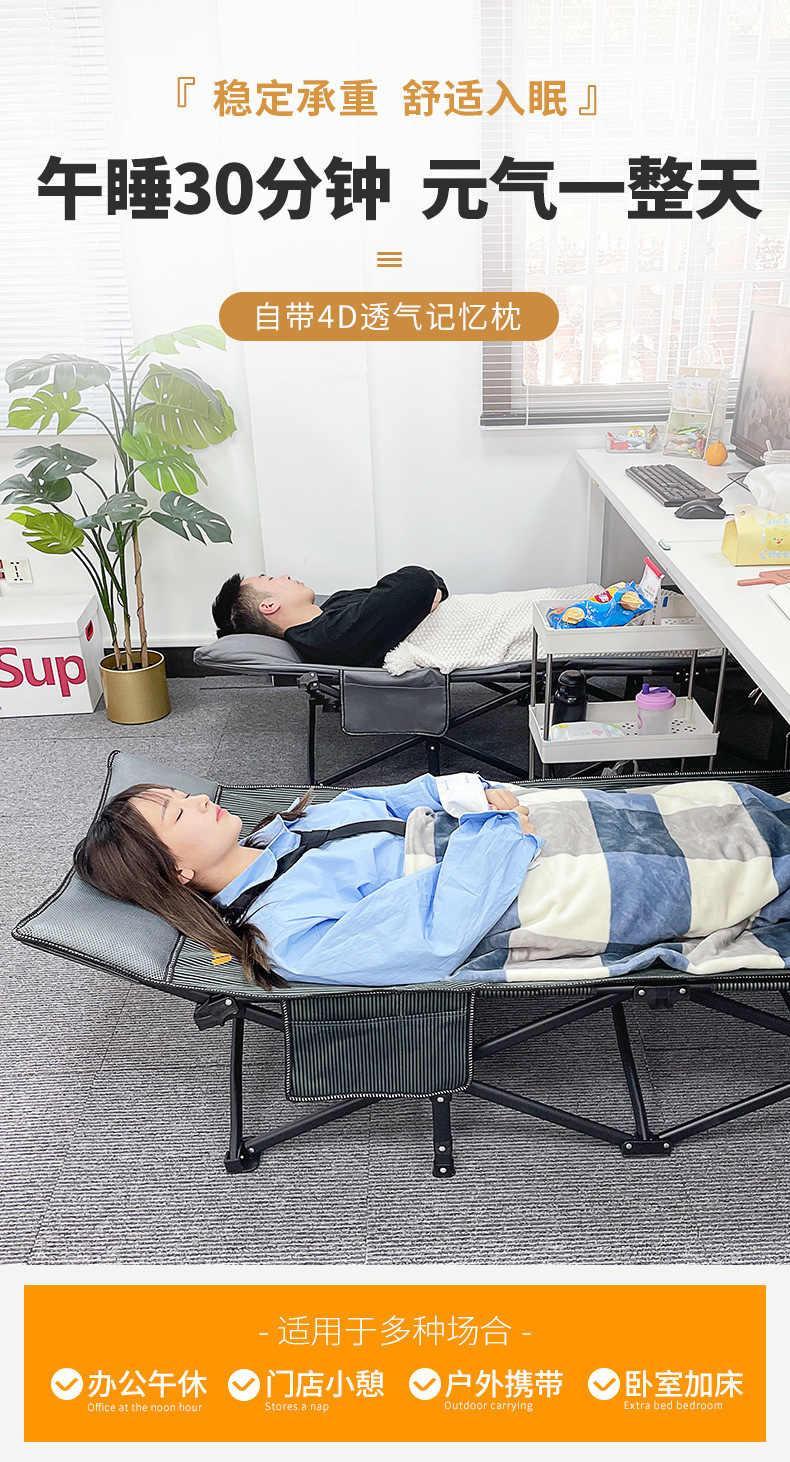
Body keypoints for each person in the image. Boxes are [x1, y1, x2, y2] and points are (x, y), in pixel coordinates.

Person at [73, 773, 540, 990]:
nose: (198, 799)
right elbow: (435, 937)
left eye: (182, 794)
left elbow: (375, 802)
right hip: (515, 880)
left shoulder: (289, 828)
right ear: (177, 872)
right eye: (178, 813)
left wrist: (468, 795)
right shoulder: (285, 929)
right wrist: (501, 833)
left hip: (497, 830)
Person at [211, 565, 448, 668]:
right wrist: (429, 589)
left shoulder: (333, 606)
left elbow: (429, 581)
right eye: (272, 579)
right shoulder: (333, 634)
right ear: (269, 605)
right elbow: (417, 582)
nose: (285, 576)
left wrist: (432, 589)